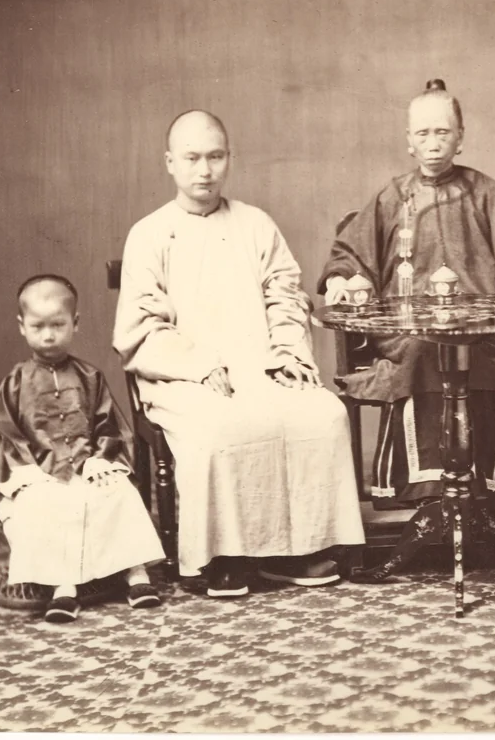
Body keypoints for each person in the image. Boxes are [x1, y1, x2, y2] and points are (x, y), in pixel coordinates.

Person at [113, 110, 365, 598]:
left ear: (230, 159)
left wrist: (290, 354)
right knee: (220, 428)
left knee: (323, 415)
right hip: (183, 373)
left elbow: (286, 295)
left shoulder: (255, 223)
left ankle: (300, 548)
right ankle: (225, 557)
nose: (204, 170)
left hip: (262, 364)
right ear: (169, 163)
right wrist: (198, 366)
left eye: (215, 157)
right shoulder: (149, 233)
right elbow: (143, 328)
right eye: (191, 158)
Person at [319, 79, 495, 508]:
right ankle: (419, 486)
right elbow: (352, 251)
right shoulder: (393, 197)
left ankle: (481, 482)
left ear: (461, 137)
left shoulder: (484, 192)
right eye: (423, 134)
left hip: (478, 328)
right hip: (407, 328)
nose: (433, 144)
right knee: (422, 350)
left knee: (471, 353)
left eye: (443, 132)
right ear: (409, 141)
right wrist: (343, 278)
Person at [0, 275, 165, 623]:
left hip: (87, 466)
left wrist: (101, 459)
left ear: (75, 324)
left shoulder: (90, 377)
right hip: (39, 472)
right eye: (38, 326)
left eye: (58, 325)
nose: (48, 335)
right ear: (22, 327)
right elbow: (5, 436)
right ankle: (63, 587)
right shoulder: (15, 383)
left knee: (117, 492)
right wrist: (28, 472)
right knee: (41, 503)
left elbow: (109, 426)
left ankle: (135, 574)